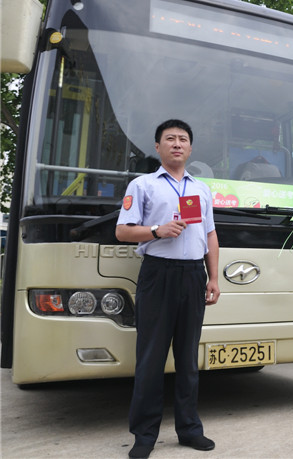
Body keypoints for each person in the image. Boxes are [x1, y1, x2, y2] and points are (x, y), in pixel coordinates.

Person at [116, 119, 220, 459]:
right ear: (158, 147)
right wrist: (156, 231)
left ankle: (189, 430)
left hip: (193, 275)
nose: (177, 144)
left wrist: (213, 277)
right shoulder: (143, 185)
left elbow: (210, 235)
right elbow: (123, 231)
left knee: (188, 359)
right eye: (170, 139)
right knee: (151, 358)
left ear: (190, 148)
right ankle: (144, 436)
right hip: (157, 273)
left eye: (183, 139)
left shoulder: (201, 189)